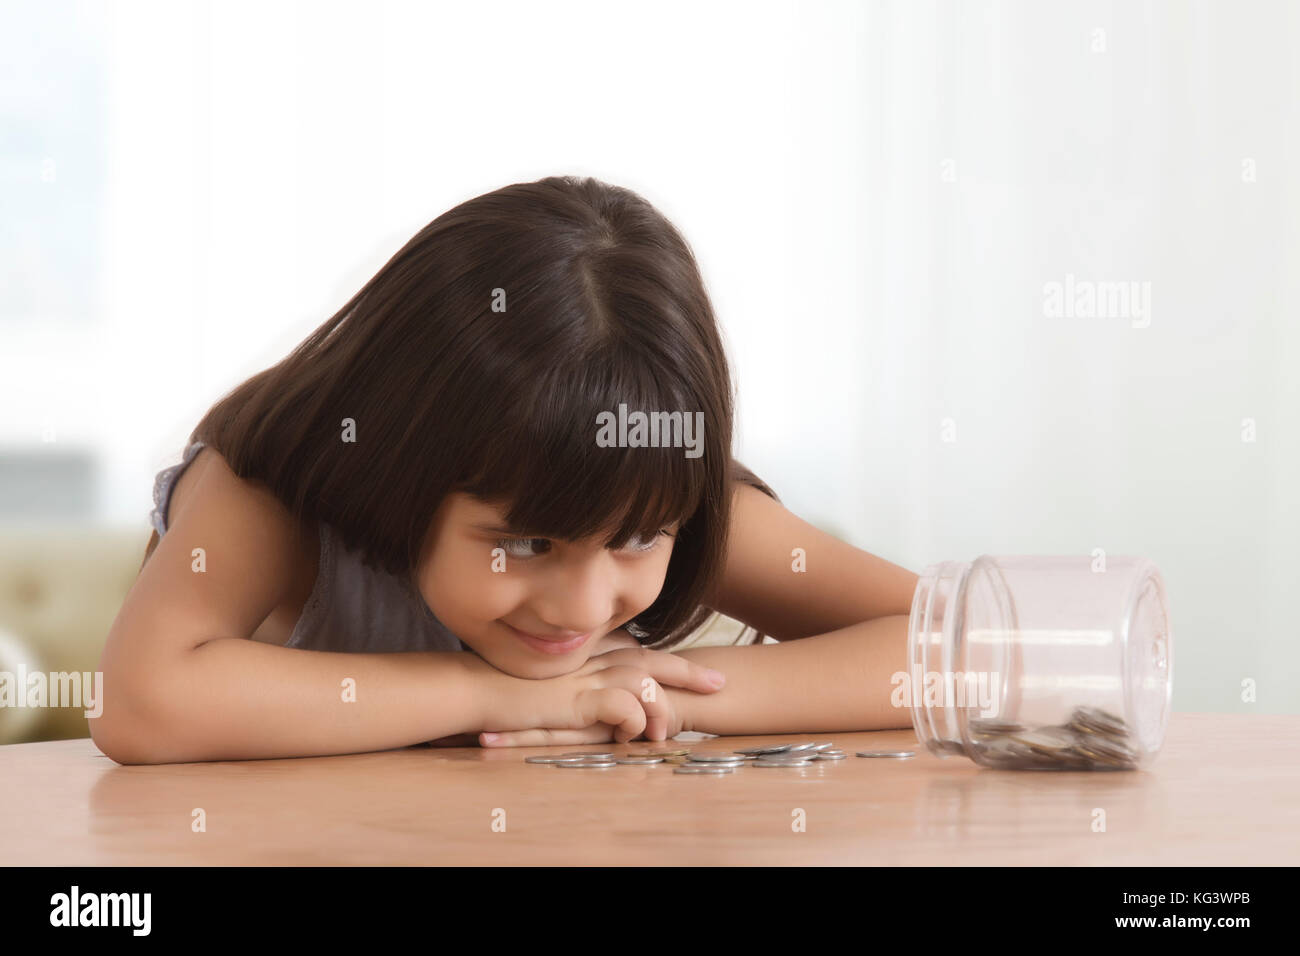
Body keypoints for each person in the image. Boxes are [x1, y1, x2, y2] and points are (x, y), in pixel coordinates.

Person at [94, 175, 917, 765]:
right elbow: (139, 702)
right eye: (526, 544)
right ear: (403, 466)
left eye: (635, 540)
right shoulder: (278, 488)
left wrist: (663, 689)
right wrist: (494, 695)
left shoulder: (646, 478)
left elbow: (977, 649)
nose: (584, 605)